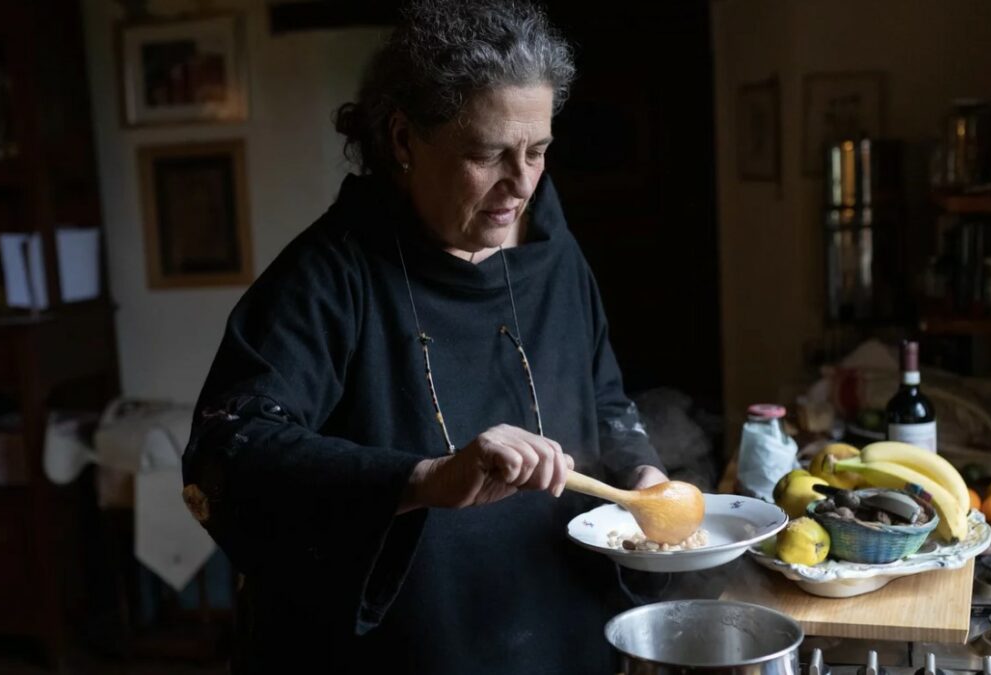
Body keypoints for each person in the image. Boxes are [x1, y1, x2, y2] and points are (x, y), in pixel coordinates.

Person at [182, 0, 668, 672]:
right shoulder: (329, 276)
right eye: (487, 153)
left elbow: (604, 394)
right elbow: (227, 453)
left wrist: (642, 473)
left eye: (537, 151)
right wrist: (423, 478)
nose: (521, 183)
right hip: (402, 652)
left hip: (561, 634)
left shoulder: (554, 250)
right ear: (404, 141)